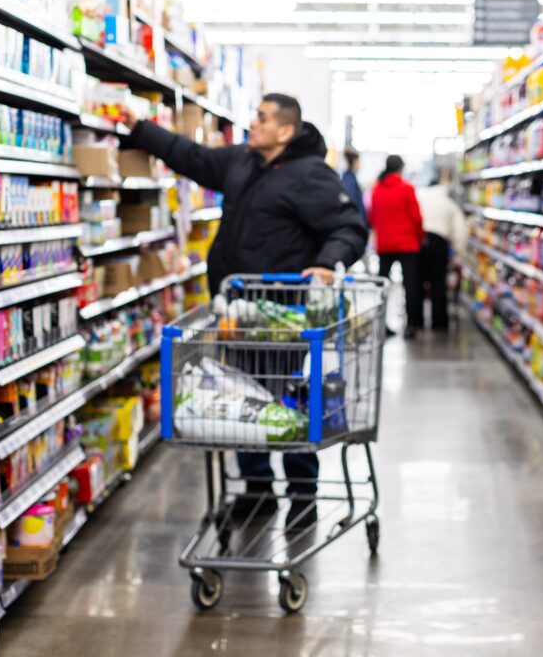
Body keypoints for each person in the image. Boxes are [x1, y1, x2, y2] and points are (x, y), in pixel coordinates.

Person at [120, 94, 367, 530]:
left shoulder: (310, 175)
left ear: (285, 131)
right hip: (235, 310)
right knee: (240, 397)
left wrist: (327, 264)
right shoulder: (241, 161)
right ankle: (257, 490)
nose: (252, 123)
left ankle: (302, 495)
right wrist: (142, 129)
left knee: (286, 400)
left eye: (262, 118)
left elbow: (348, 226)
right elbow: (191, 155)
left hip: (282, 315)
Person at [368, 155, 424, 338]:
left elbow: (372, 217)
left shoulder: (377, 190)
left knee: (383, 286)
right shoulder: (407, 189)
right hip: (407, 244)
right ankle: (411, 326)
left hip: (384, 244)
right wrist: (419, 237)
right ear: (401, 168)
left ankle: (382, 325)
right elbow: (416, 218)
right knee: (411, 286)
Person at [416, 169, 467, 331]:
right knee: (438, 284)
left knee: (417, 283)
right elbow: (460, 231)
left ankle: (416, 322)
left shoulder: (419, 197)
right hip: (439, 242)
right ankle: (439, 323)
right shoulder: (449, 202)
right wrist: (458, 255)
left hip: (418, 240)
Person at [339, 147, 367, 223]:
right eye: (359, 161)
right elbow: (351, 201)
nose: (360, 164)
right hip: (353, 221)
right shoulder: (349, 179)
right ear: (354, 162)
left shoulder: (350, 177)